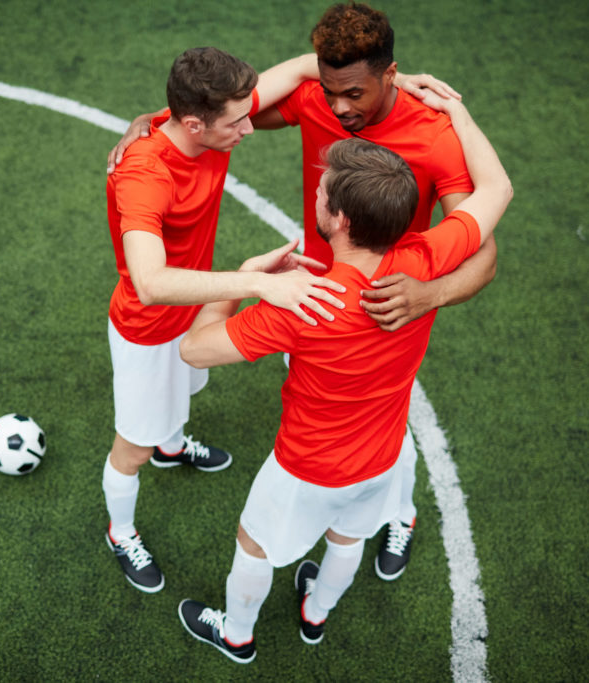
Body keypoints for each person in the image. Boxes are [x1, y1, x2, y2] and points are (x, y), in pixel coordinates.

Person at [109, 2, 492, 583]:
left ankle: (401, 514)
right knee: (349, 413)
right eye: (331, 90)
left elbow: (484, 253)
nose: (340, 109)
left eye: (354, 93)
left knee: (388, 411)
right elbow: (224, 115)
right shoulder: (316, 100)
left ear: (390, 75)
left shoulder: (435, 135)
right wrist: (156, 119)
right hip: (314, 292)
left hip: (394, 302)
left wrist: (427, 296)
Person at [173, 90, 511, 663]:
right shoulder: (422, 260)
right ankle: (315, 612)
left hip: (305, 465)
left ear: (341, 220)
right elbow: (497, 189)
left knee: (254, 543)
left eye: (322, 191)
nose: (316, 193)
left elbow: (193, 350)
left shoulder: (304, 303)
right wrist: (460, 112)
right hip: (381, 458)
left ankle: (237, 633)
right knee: (348, 536)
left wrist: (248, 278)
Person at [103, 47, 348, 594]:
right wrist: (256, 283)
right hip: (148, 330)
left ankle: (171, 446)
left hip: (196, 313)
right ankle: (120, 531)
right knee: (132, 448)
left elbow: (304, 66)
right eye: (237, 121)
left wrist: (402, 81)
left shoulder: (209, 118)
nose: (250, 127)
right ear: (194, 123)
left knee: (184, 396)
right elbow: (150, 282)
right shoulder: (144, 174)